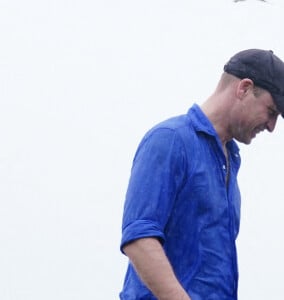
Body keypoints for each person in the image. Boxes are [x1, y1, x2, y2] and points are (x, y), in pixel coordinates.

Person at [119, 49, 284, 300]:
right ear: (244, 88)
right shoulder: (170, 140)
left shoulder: (230, 160)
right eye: (271, 111)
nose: (272, 127)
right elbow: (139, 239)